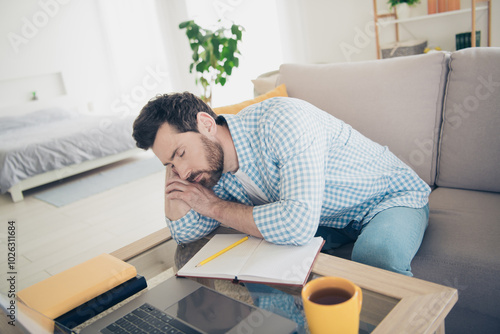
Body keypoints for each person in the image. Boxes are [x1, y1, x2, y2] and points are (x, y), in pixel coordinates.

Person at [132, 92, 430, 276]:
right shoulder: (209, 167)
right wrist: (172, 163)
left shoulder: (282, 121)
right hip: (329, 218)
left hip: (385, 198)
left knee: (374, 258)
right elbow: (184, 232)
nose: (181, 174)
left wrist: (214, 207)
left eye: (181, 154)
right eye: (170, 166)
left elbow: (297, 223)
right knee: (264, 264)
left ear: (207, 124)